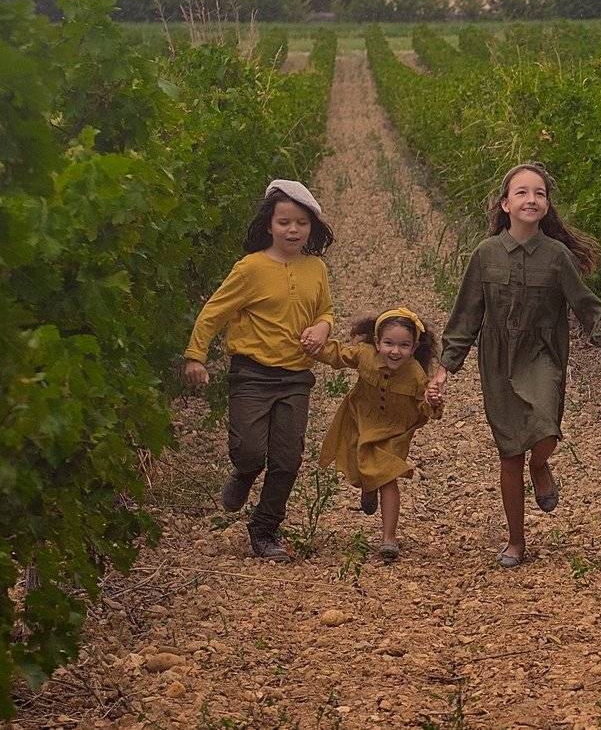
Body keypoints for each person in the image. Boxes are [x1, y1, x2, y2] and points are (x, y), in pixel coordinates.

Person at [428, 162, 601, 568]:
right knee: (509, 454)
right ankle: (516, 542)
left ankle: (540, 466)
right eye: (521, 192)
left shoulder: (557, 256)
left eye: (539, 193)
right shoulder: (485, 255)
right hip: (498, 361)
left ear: (547, 206)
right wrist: (445, 368)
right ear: (505, 204)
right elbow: (466, 316)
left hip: (542, 354)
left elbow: (583, 302)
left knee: (545, 428)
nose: (531, 199)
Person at [184, 179, 335, 563]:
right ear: (269, 224)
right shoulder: (250, 268)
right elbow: (214, 311)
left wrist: (322, 328)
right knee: (249, 450)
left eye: (301, 223)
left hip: (295, 377)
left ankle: (265, 529)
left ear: (312, 227)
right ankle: (244, 471)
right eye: (284, 222)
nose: (293, 230)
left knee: (288, 459)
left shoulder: (316, 268)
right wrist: (195, 356)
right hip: (251, 374)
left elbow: (325, 311)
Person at [315, 308, 438, 562]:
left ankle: (388, 538)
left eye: (404, 345)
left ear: (414, 347)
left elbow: (428, 408)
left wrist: (433, 401)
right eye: (389, 343)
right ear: (377, 342)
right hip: (361, 420)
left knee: (387, 477)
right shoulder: (365, 354)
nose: (395, 351)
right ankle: (367, 485)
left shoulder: (416, 374)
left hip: (394, 433)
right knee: (360, 464)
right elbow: (339, 354)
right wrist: (314, 347)